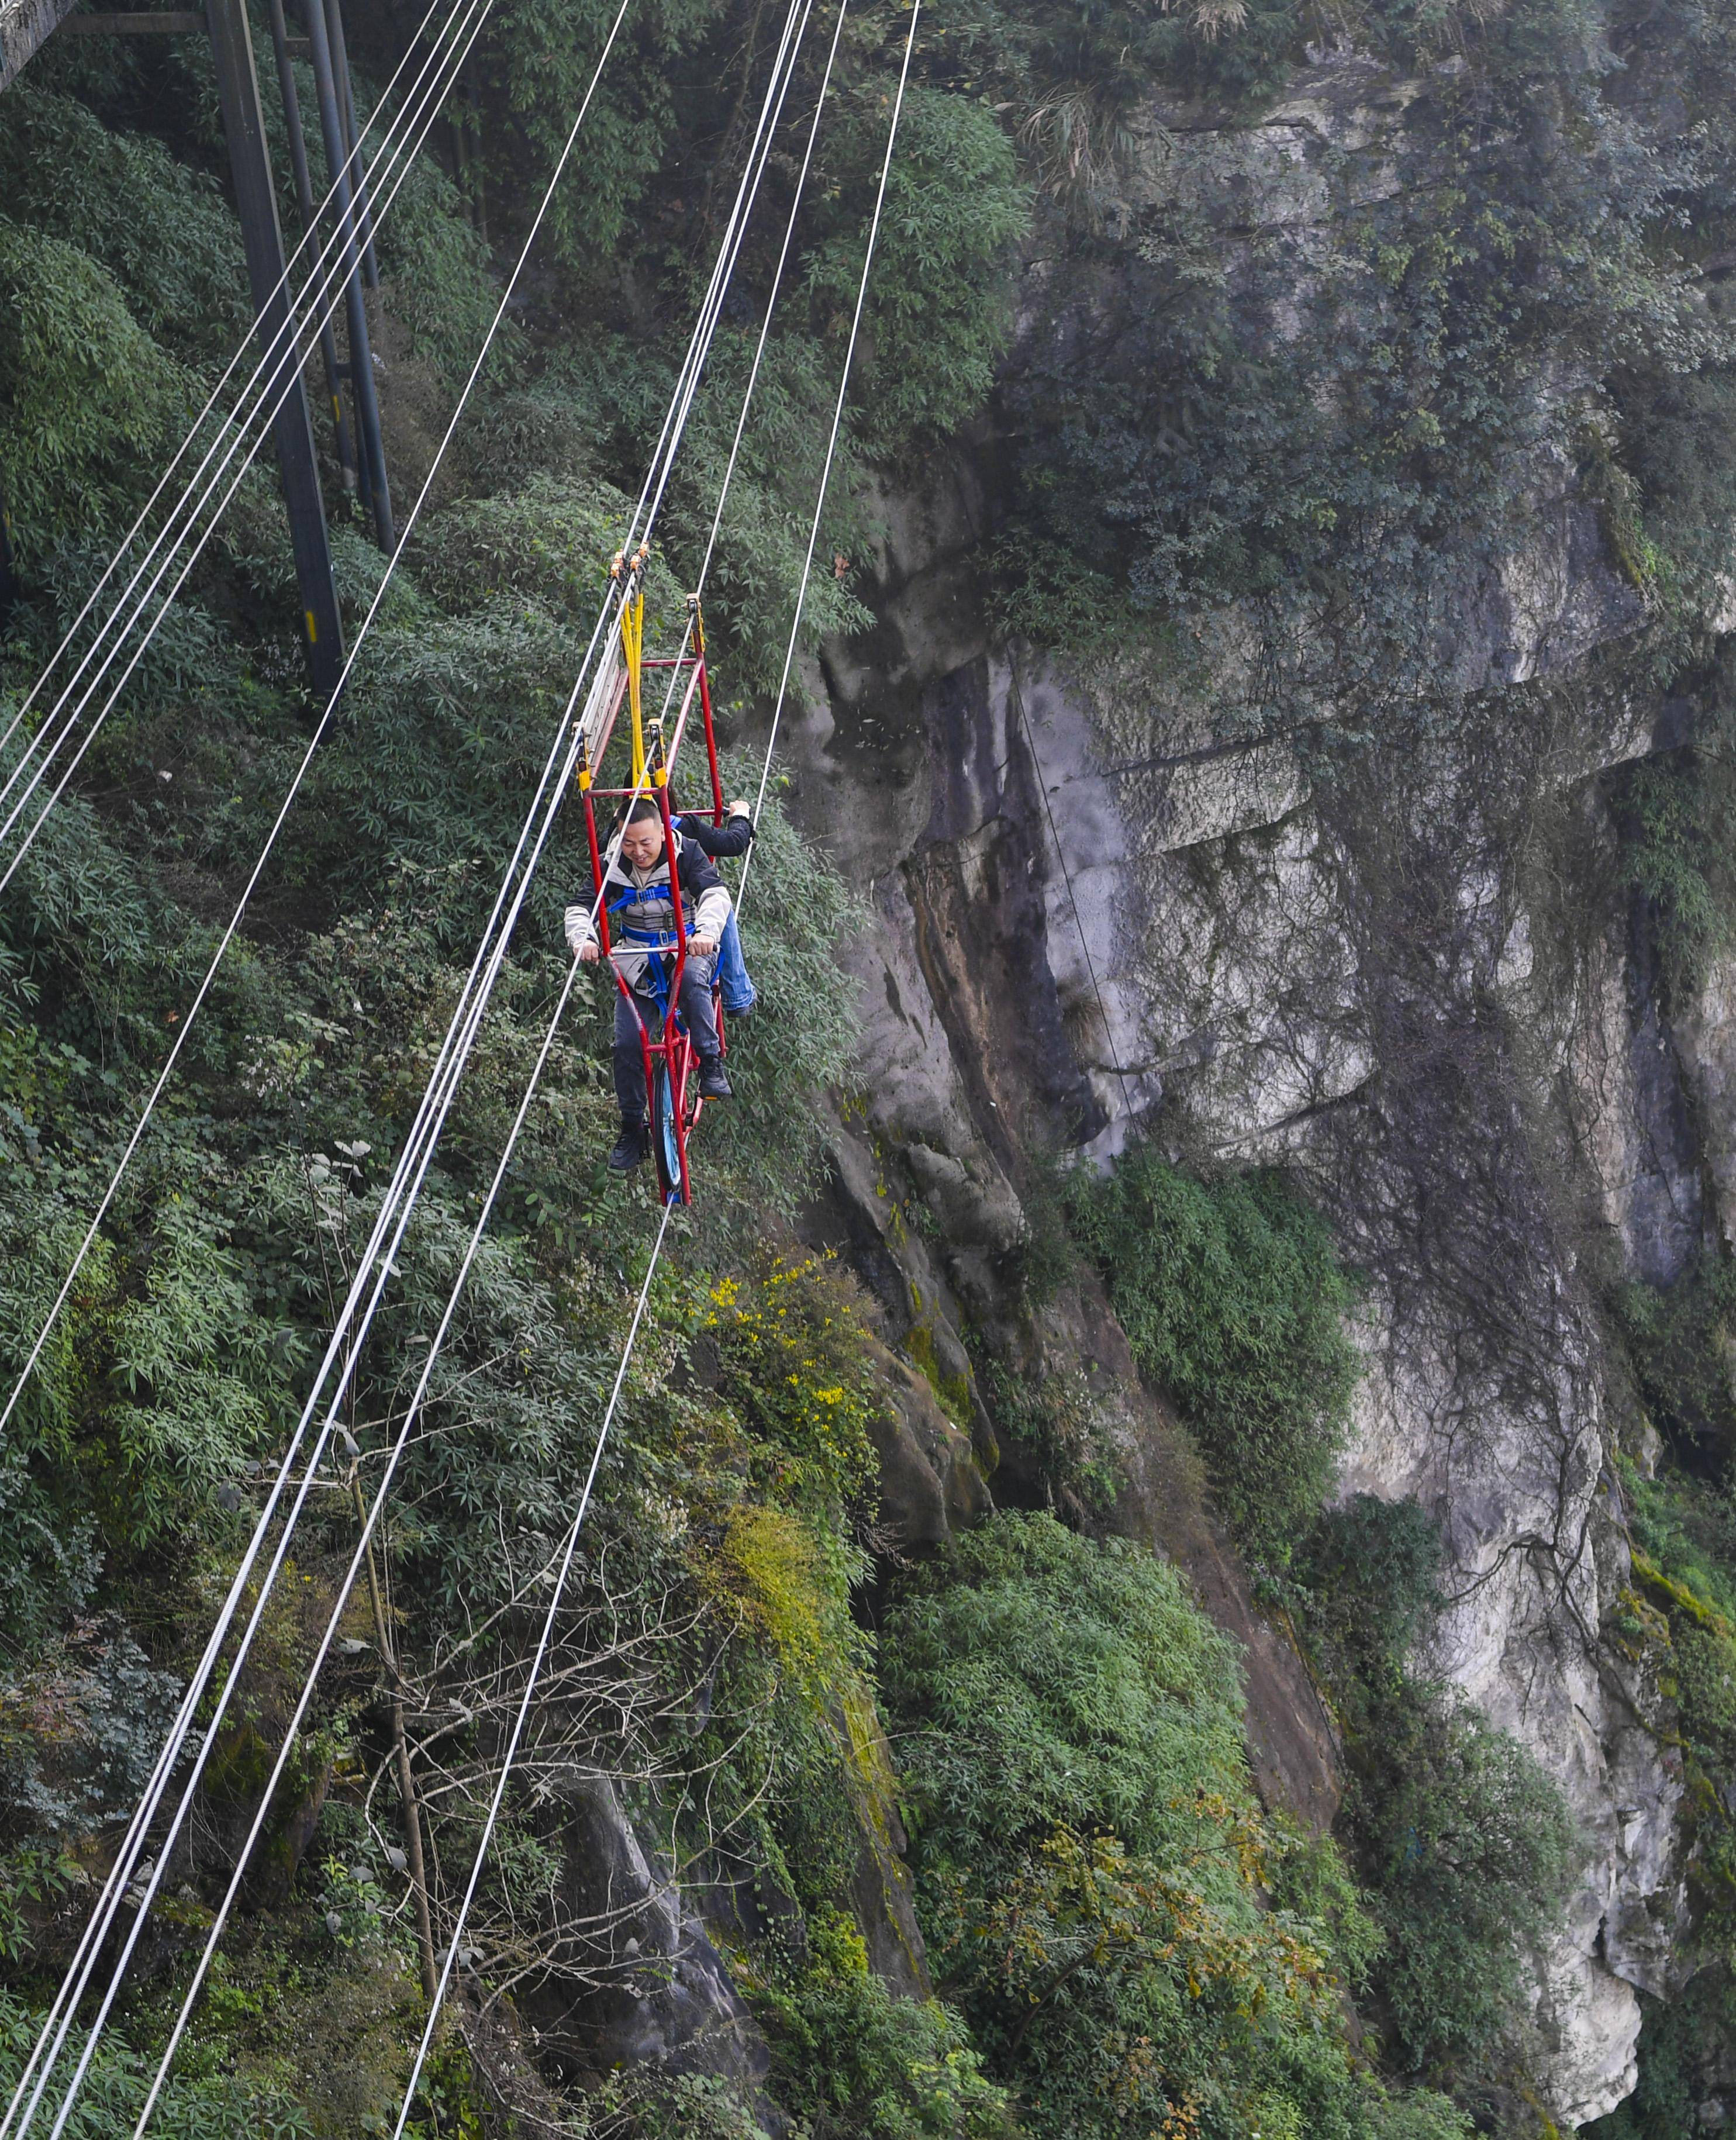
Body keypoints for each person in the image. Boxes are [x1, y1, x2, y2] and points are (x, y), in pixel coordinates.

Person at [565, 799, 733, 1175]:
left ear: (662, 832)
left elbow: (715, 894)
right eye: (629, 843)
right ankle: (631, 1129)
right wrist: (583, 939)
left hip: (687, 946)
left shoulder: (686, 852)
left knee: (692, 980)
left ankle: (710, 1063)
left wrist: (705, 933)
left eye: (646, 843)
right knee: (626, 1042)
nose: (638, 852)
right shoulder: (611, 864)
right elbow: (580, 907)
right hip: (639, 959)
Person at [674, 798, 757, 1016]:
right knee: (719, 901)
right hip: (682, 919)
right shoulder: (678, 830)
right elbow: (732, 843)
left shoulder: (618, 839)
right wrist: (740, 817)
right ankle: (738, 994)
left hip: (641, 932)